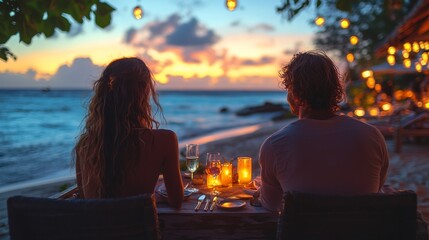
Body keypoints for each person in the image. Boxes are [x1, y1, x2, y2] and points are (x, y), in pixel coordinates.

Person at [258, 50, 389, 212]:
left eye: (289, 89)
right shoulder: (371, 136)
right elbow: (376, 189)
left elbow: (272, 206)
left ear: (296, 95)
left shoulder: (275, 145)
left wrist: (261, 192)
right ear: (335, 90)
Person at [74, 57, 183, 208]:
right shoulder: (164, 140)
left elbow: (83, 199)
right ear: (144, 92)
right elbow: (176, 201)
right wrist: (155, 197)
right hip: (139, 231)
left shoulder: (85, 144)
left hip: (95, 230)